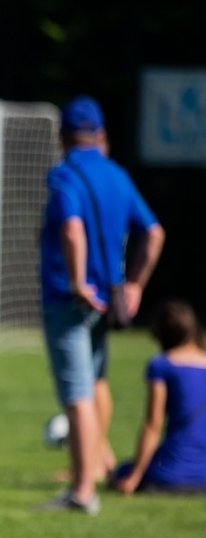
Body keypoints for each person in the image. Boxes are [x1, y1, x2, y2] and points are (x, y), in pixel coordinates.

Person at [39, 95, 166, 514]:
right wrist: (135, 285)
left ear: (63, 136)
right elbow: (154, 232)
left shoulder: (64, 175)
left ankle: (82, 490)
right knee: (95, 383)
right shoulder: (117, 174)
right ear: (101, 135)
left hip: (71, 298)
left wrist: (77, 281)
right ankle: (99, 464)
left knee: (76, 394)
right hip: (107, 300)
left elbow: (72, 231)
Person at [113, 301, 206, 494]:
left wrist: (134, 477)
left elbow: (153, 425)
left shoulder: (162, 365)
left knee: (122, 471)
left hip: (172, 472)